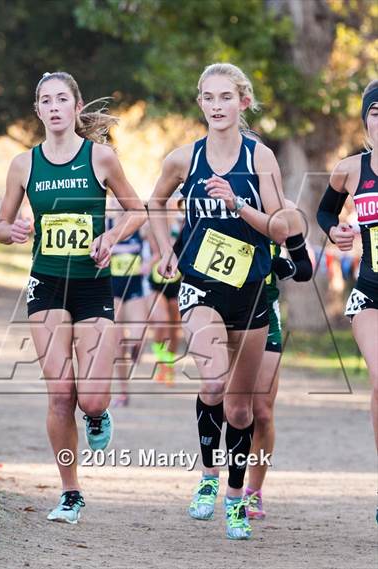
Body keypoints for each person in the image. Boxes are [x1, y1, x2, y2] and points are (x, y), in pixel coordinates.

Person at [0, 71, 146, 524]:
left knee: (93, 399)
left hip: (91, 283)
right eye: (46, 100)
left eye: (63, 99)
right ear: (38, 110)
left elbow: (137, 211)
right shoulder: (24, 165)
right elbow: (0, 226)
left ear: (76, 107)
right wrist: (13, 230)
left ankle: (98, 416)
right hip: (46, 283)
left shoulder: (100, 158)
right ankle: (70, 491)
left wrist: (113, 235)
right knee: (60, 394)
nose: (55, 106)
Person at [149, 62, 289, 540]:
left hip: (250, 291)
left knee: (242, 412)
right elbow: (153, 202)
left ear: (243, 102)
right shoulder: (183, 158)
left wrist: (237, 204)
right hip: (200, 285)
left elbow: (280, 226)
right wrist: (164, 248)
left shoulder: (261, 158)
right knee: (211, 383)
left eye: (226, 97)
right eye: (208, 98)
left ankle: (235, 499)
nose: (216, 106)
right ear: (200, 104)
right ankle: (208, 480)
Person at [317, 79, 378, 523]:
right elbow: (324, 211)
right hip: (370, 294)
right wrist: (335, 231)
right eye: (376, 113)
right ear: (366, 121)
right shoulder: (352, 169)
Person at [245, 200, 313, 519]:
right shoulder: (216, 202)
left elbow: (305, 268)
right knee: (225, 400)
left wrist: (285, 264)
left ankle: (252, 491)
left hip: (265, 312)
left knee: (262, 410)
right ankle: (210, 477)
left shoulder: (285, 209)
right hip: (220, 310)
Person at [107, 197, 149, 407]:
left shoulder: (141, 227)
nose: (118, 206)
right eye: (114, 202)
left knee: (137, 339)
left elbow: (159, 251)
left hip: (135, 287)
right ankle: (123, 392)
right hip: (113, 289)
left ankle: (135, 348)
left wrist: (148, 265)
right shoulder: (105, 226)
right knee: (116, 345)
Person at [147, 196, 183, 385]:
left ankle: (168, 365)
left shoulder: (182, 222)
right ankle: (161, 361)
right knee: (162, 322)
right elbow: (156, 249)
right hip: (156, 279)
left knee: (174, 327)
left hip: (177, 280)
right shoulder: (155, 223)